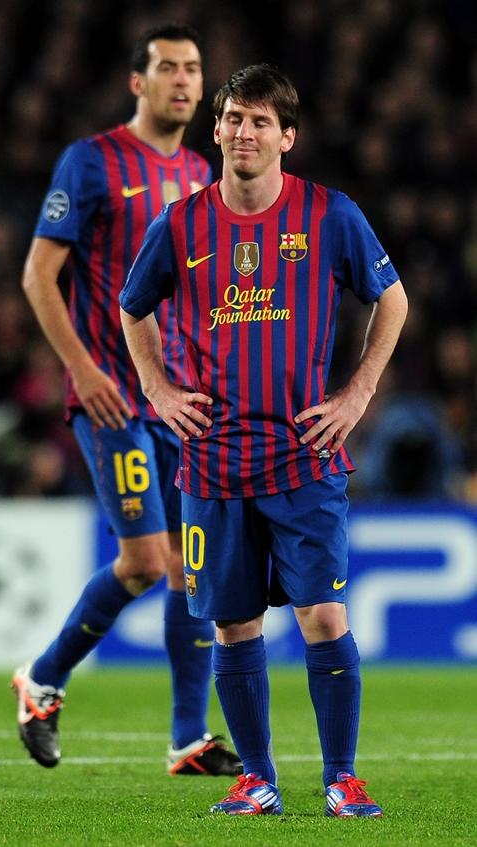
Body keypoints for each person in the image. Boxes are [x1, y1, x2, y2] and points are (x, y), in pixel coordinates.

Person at [120, 64, 408, 816]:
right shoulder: (181, 224)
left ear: (287, 136)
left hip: (304, 456)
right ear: (215, 130)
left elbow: (393, 298)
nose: (244, 132)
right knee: (231, 623)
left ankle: (341, 778)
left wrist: (357, 391)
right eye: (233, 118)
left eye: (259, 121)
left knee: (323, 615)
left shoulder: (329, 214)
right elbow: (132, 308)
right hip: (212, 464)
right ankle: (257, 779)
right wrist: (155, 387)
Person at [12, 23, 241, 778]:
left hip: (182, 399)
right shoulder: (91, 162)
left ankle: (186, 738)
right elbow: (39, 276)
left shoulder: (206, 175)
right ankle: (42, 677)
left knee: (194, 566)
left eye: (193, 69)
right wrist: (81, 369)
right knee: (145, 559)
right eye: (167, 68)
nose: (182, 80)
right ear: (138, 83)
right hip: (113, 398)